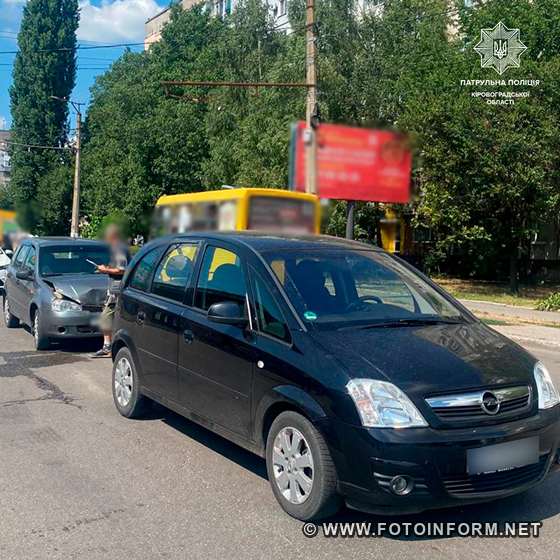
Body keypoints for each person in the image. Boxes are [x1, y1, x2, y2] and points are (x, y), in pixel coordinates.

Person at [92, 224, 130, 358]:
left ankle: (108, 347)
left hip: (117, 290)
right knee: (111, 318)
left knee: (105, 318)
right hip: (115, 289)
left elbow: (121, 270)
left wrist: (105, 270)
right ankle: (110, 345)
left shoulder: (119, 250)